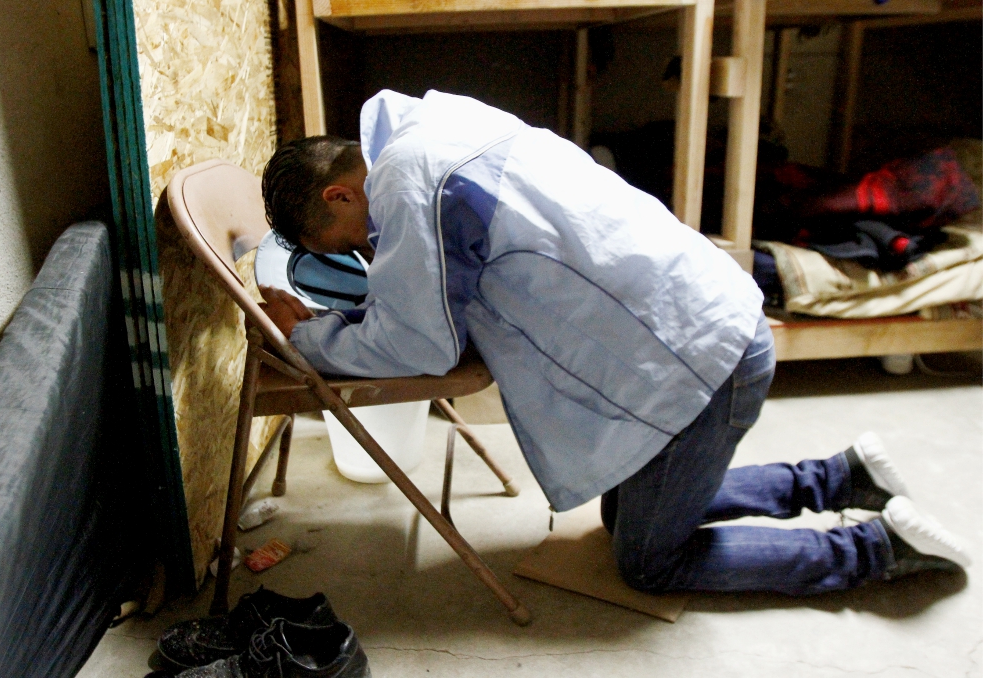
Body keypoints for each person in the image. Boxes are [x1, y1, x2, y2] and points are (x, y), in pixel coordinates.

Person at [258, 89, 971, 596]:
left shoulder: (409, 183)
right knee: (620, 514)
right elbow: (430, 292)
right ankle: (844, 477)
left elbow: (415, 342)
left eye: (354, 240)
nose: (370, 248)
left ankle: (875, 549)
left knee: (650, 565)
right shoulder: (441, 123)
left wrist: (310, 339)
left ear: (339, 196)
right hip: (707, 321)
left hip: (703, 360)